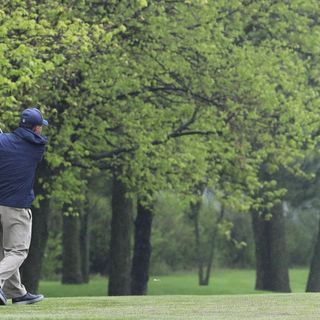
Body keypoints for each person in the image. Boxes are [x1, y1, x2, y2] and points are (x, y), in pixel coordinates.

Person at [0, 108, 48, 305]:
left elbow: (7, 142)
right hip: (17, 207)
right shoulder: (37, 147)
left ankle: (17, 293)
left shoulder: (4, 142)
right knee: (17, 252)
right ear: (36, 128)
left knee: (4, 252)